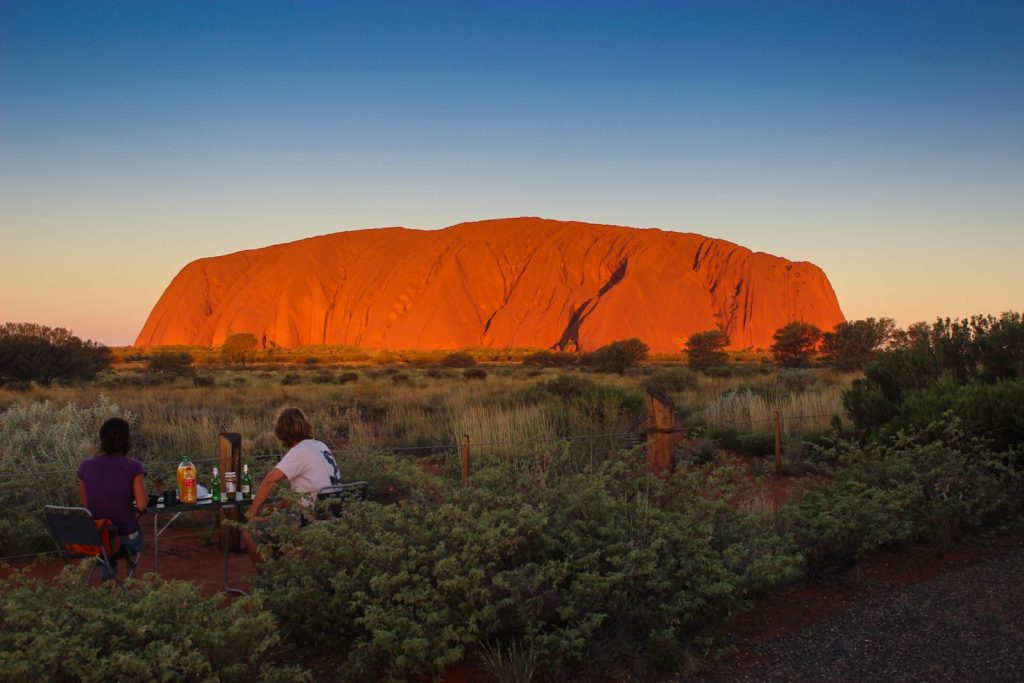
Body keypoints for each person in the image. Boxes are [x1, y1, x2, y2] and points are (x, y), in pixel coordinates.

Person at [243, 407, 340, 563]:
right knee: (278, 518)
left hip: (310, 518)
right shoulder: (321, 446)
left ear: (282, 433)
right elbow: (314, 486)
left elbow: (269, 480)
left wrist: (252, 514)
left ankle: (268, 580)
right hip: (334, 514)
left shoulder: (299, 451)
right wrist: (284, 504)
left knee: (249, 530)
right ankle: (289, 572)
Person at [76, 417, 147, 578]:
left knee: (105, 541)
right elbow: (142, 505)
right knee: (127, 537)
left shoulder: (85, 467)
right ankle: (128, 587)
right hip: (125, 539)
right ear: (127, 441)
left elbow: (86, 505)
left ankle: (106, 587)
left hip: (96, 539)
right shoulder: (134, 467)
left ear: (102, 440)